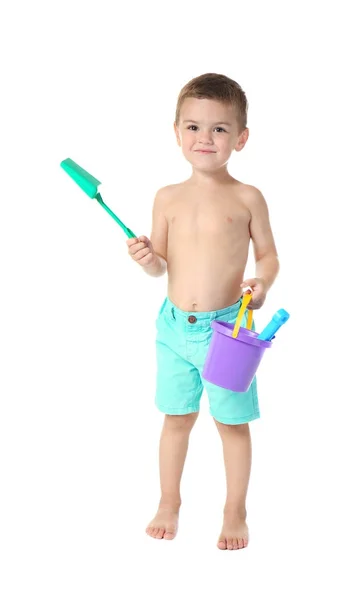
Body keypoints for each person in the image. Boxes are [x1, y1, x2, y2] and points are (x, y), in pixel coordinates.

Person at [126, 73, 279, 550]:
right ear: (176, 134)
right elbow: (162, 266)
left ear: (241, 137)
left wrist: (263, 285)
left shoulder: (247, 197)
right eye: (193, 127)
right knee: (176, 418)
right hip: (173, 327)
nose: (204, 139)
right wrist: (150, 260)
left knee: (232, 422)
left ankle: (236, 510)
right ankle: (169, 501)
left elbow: (270, 256)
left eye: (219, 129)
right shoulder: (166, 198)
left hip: (228, 331)